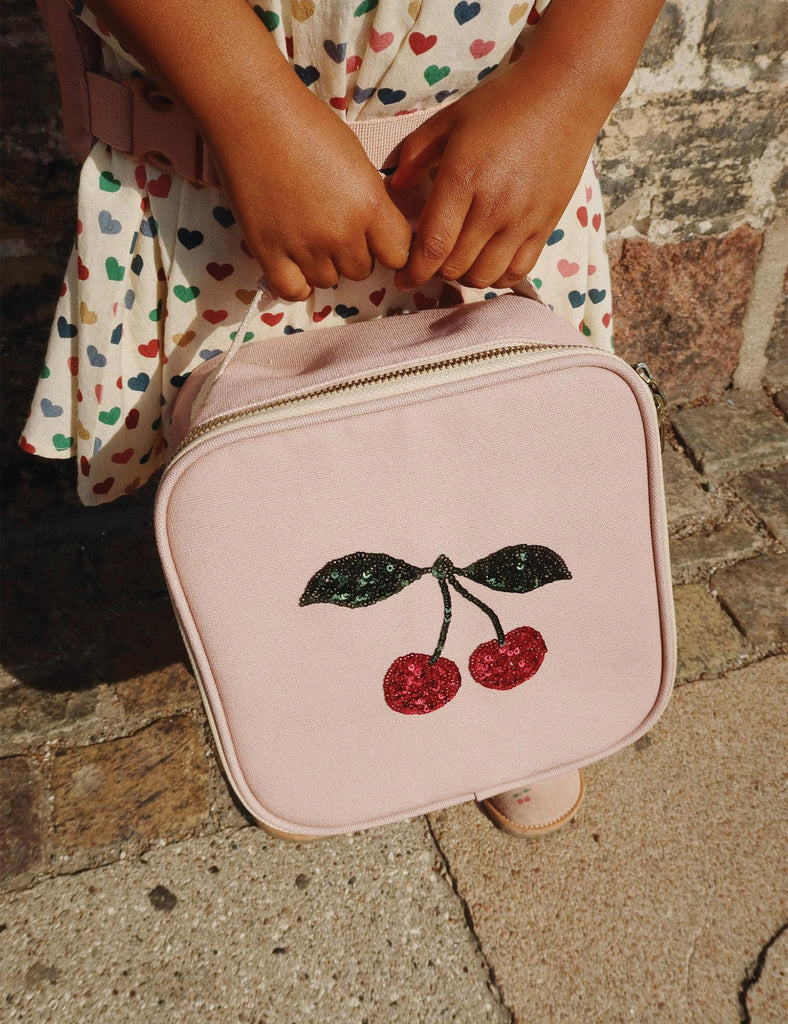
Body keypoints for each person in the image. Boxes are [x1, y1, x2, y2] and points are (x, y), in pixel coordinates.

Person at [22, 0, 664, 837]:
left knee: (501, 455)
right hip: (225, 150)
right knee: (277, 491)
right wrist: (249, 108)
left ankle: (515, 717)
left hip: (488, 157)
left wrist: (572, 79)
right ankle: (318, 706)